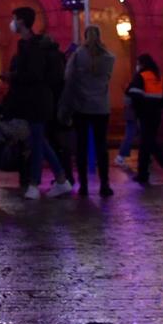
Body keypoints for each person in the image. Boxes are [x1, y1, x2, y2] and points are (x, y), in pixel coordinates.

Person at [5, 6, 73, 197]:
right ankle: (61, 179)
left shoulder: (32, 46)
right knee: (39, 140)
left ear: (22, 22)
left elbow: (33, 74)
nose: (12, 22)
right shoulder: (29, 45)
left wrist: (13, 76)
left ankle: (35, 184)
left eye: (14, 18)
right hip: (36, 100)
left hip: (36, 100)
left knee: (37, 141)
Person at [63, 25, 117, 197]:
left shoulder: (78, 55)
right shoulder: (108, 57)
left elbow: (68, 77)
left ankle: (84, 186)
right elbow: (107, 77)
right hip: (101, 106)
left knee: (81, 147)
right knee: (102, 146)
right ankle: (104, 185)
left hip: (82, 106)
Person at [125, 55, 163, 186]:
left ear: (142, 64)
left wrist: (138, 109)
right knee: (147, 143)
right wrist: (157, 107)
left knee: (148, 143)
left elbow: (132, 93)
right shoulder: (159, 77)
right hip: (156, 114)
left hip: (144, 115)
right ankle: (143, 174)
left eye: (138, 64)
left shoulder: (141, 77)